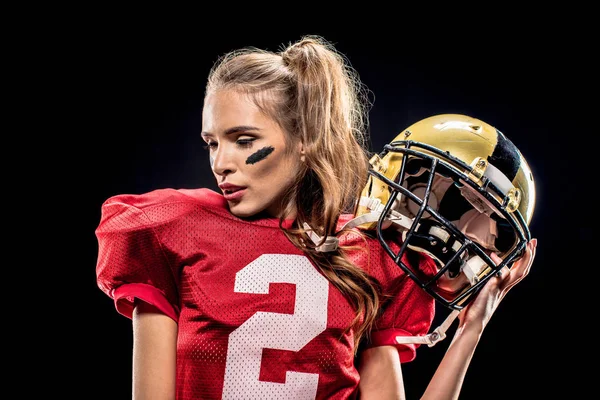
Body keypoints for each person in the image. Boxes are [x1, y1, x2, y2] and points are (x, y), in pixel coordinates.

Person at [95, 35, 538, 399]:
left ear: (305, 139)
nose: (221, 163)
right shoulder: (175, 227)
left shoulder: (364, 254)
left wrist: (472, 328)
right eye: (213, 143)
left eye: (244, 139)